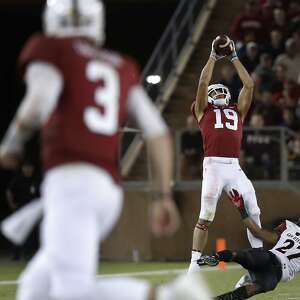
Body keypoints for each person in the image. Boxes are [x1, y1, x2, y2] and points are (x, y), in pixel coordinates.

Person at [0, 1, 211, 299]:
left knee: (72, 292)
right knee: (35, 289)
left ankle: (173, 296)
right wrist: (162, 196)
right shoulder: (119, 65)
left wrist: (11, 145)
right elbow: (158, 133)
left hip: (72, 182)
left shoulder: (51, 48)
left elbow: (40, 99)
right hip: (106, 192)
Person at [188, 37, 263, 281]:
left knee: (254, 210)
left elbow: (249, 86)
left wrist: (234, 58)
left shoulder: (237, 109)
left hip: (234, 167)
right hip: (213, 166)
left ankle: (260, 260)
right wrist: (212, 56)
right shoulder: (202, 111)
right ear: (208, 98)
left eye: (222, 89)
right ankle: (193, 266)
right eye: (214, 90)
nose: (219, 91)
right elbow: (202, 81)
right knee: (205, 216)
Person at [200, 189, 300, 300]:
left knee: (240, 256)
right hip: (276, 272)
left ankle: (217, 257)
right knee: (258, 287)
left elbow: (258, 233)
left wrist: (241, 209)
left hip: (266, 257)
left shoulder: (289, 228)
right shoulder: (289, 228)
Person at [6, 161, 40, 260]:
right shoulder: (18, 179)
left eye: (30, 167)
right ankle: (15, 254)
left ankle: (29, 254)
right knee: (18, 231)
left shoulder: (35, 180)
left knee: (32, 232)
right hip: (20, 208)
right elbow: (9, 191)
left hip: (32, 210)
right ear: (23, 169)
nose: (28, 169)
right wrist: (12, 203)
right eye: (26, 167)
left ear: (33, 169)